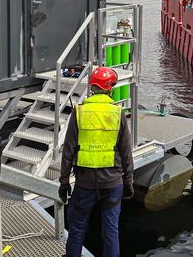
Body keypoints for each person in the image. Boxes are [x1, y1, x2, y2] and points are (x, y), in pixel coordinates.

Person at [60, 67, 134, 257]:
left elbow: (68, 151)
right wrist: (129, 181)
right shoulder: (118, 114)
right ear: (110, 89)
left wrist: (64, 181)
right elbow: (126, 153)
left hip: (84, 185)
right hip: (112, 184)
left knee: (77, 230)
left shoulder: (79, 112)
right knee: (111, 231)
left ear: (92, 87)